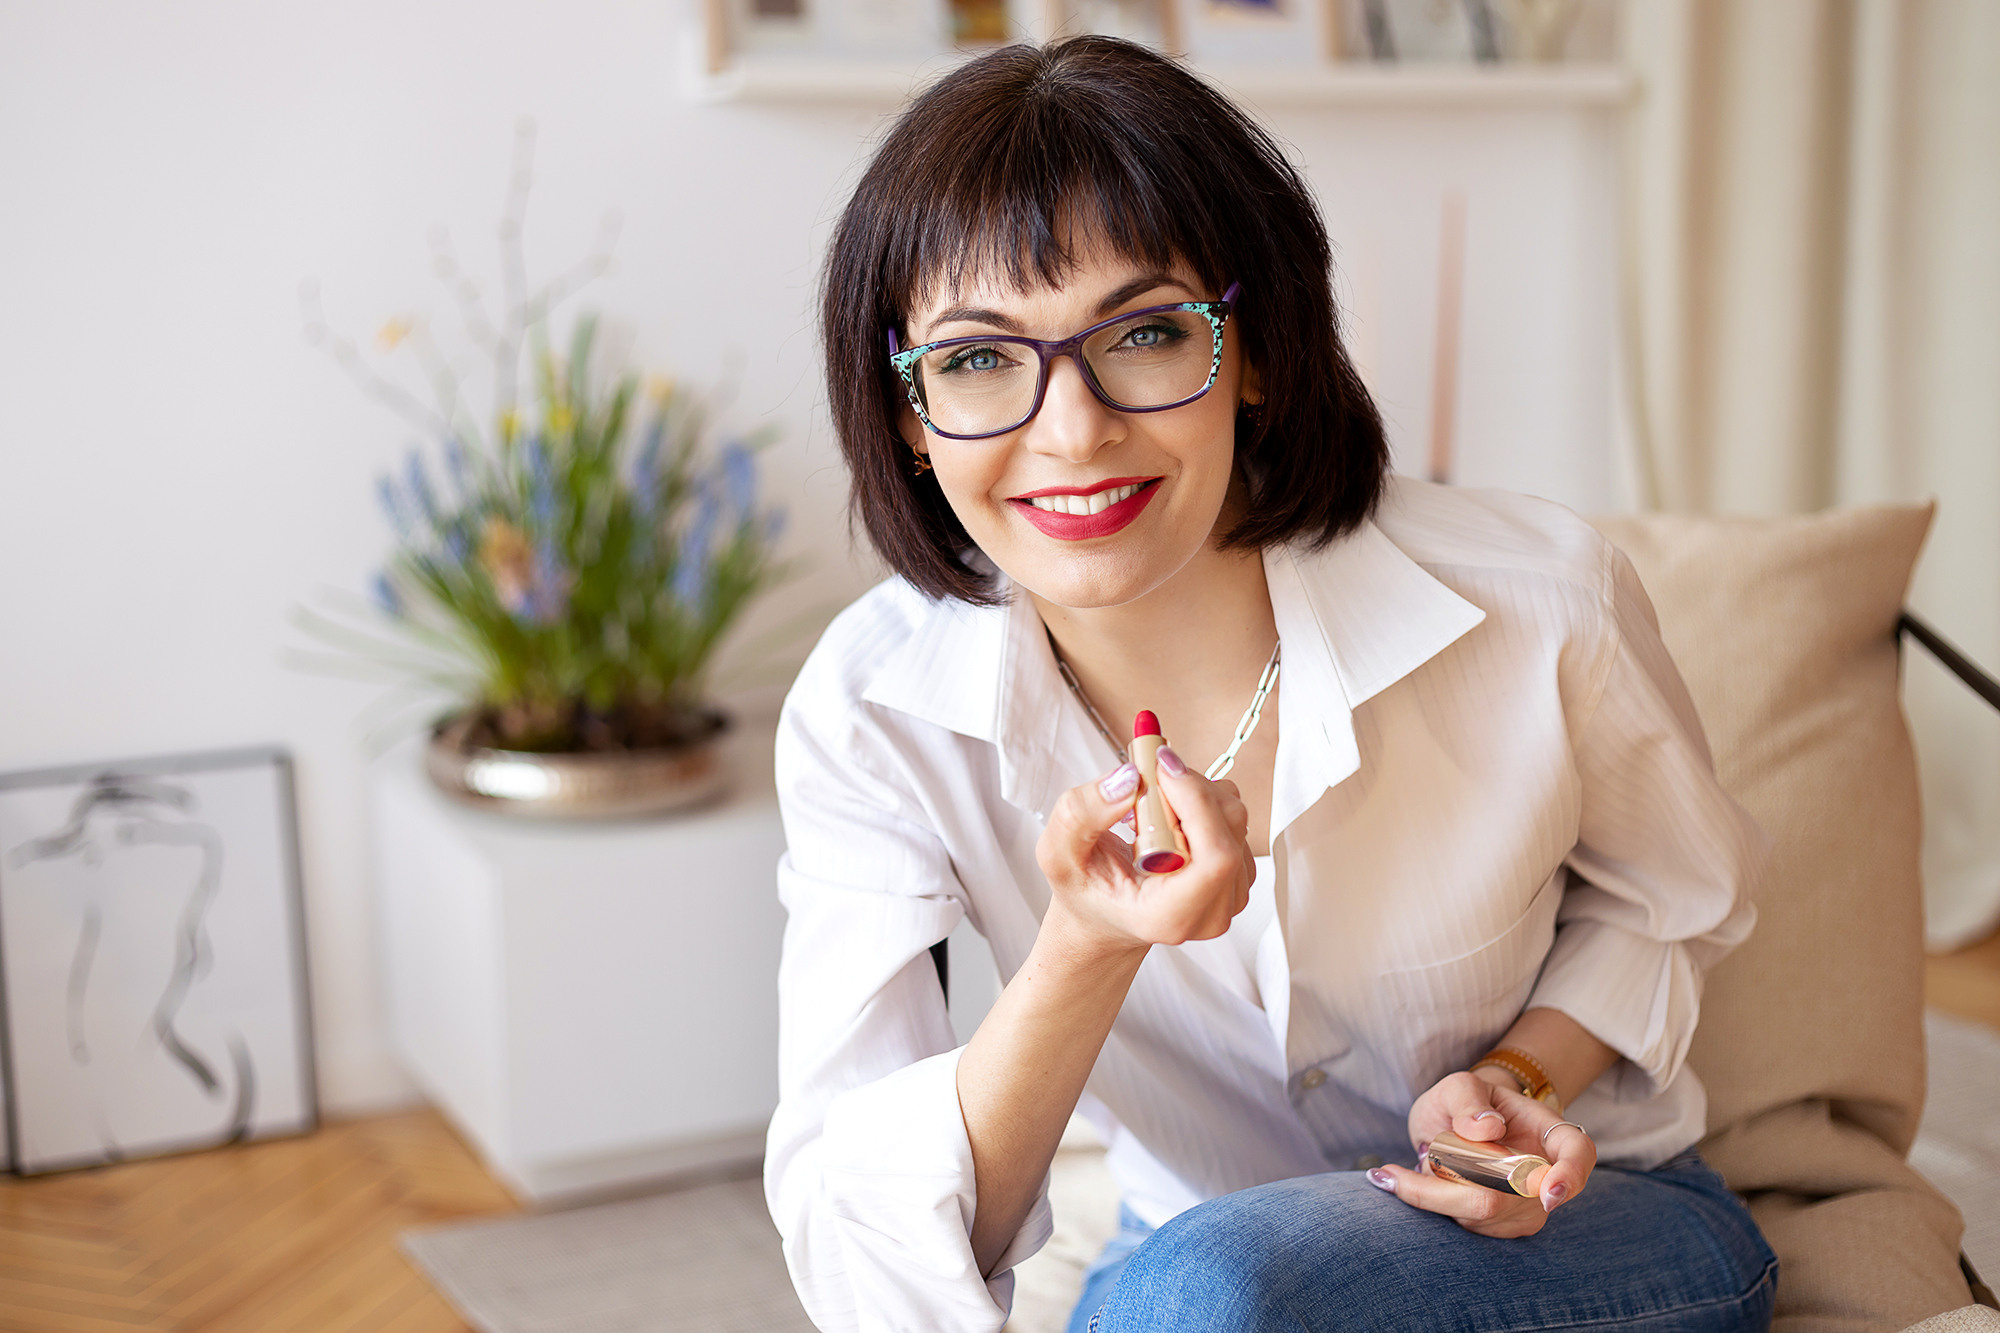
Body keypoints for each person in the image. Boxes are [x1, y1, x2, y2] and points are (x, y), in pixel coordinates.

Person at [765, 35, 1778, 1333]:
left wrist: (1516, 1080)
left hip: (1597, 1230)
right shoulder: (874, 707)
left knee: (1210, 1287)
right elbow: (880, 1256)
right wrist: (1089, 941)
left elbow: (1673, 898)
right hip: (1190, 1253)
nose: (1070, 430)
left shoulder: (1537, 599)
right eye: (976, 359)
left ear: (1257, 350)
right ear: (907, 410)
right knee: (1205, 1282)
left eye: (1143, 334)